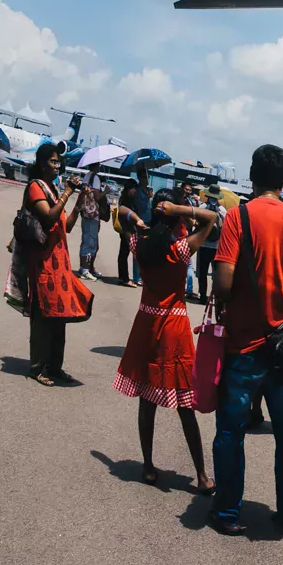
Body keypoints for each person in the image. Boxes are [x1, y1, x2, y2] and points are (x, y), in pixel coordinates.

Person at [210, 144, 283, 538]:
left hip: (244, 349)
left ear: (252, 176)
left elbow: (222, 281)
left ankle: (228, 512)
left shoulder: (239, 217)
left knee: (231, 433)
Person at [114, 190, 217, 490]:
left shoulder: (139, 244)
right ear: (174, 218)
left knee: (147, 401)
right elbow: (211, 219)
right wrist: (182, 209)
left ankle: (147, 465)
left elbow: (120, 210)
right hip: (173, 325)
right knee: (185, 403)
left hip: (147, 322)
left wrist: (139, 219)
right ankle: (201, 475)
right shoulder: (180, 250)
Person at [20, 144, 95, 386]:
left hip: (59, 263)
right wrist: (67, 193)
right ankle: (37, 367)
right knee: (43, 315)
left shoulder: (52, 188)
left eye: (58, 162)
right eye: (53, 161)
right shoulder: (35, 187)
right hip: (43, 262)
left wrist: (78, 202)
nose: (57, 165)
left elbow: (66, 225)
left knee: (59, 316)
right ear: (42, 163)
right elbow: (49, 216)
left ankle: (55, 366)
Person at [190, 184, 226, 303]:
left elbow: (197, 223)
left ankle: (202, 296)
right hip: (217, 247)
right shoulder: (222, 210)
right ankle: (215, 297)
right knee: (216, 274)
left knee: (202, 273)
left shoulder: (202, 206)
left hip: (203, 244)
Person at [117, 179, 147, 286]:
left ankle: (123, 277)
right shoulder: (126, 200)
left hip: (127, 228)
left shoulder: (127, 198)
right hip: (126, 229)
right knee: (125, 252)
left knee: (124, 252)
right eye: (134, 189)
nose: (134, 191)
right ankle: (125, 278)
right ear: (129, 188)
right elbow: (125, 211)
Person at [76, 173, 103, 281]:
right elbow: (97, 196)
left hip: (86, 213)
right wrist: (105, 191)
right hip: (92, 213)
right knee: (90, 242)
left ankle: (85, 267)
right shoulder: (95, 178)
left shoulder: (87, 176)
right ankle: (85, 269)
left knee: (86, 241)